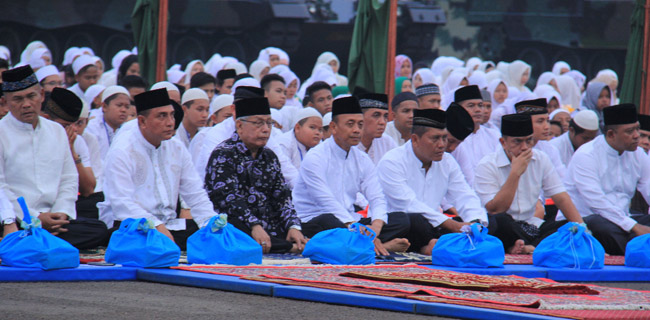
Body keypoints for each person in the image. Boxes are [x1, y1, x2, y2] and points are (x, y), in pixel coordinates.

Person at [0, 65, 107, 249]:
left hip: (54, 220)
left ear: (41, 95)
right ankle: (38, 241)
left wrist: (61, 213)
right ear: (6, 102)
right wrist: (35, 218)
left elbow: (69, 179)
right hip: (14, 218)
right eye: (17, 99)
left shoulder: (57, 131)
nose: (26, 104)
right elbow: (1, 188)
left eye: (31, 96)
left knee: (98, 229)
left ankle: (32, 243)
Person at [98, 88, 218, 250]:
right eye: (162, 116)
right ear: (142, 121)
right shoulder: (123, 150)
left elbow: (195, 194)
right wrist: (156, 226)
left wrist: (211, 224)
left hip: (170, 226)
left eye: (171, 115)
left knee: (213, 229)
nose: (170, 122)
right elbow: (122, 204)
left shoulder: (176, 147)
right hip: (133, 226)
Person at [293, 96, 411, 255]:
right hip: (316, 219)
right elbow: (326, 203)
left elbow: (377, 197)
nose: (356, 130)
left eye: (360, 124)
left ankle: (363, 244)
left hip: (350, 220)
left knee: (401, 219)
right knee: (329, 221)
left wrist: (375, 227)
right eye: (350, 124)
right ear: (333, 127)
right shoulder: (316, 157)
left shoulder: (361, 158)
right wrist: (361, 230)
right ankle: (381, 246)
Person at [377, 109, 489, 255]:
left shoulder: (447, 161)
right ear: (415, 139)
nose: (442, 145)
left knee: (495, 221)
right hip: (404, 226)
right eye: (435, 138)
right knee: (414, 220)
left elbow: (464, 194)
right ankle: (428, 246)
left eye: (444, 138)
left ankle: (435, 245)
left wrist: (476, 223)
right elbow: (408, 204)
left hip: (435, 224)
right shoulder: (392, 161)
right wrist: (453, 225)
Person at [204, 97, 307, 253]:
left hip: (270, 226)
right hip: (241, 223)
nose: (266, 129)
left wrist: (293, 226)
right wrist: (254, 225)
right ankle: (289, 247)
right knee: (233, 229)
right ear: (239, 125)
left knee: (318, 223)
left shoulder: (269, 156)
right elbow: (229, 199)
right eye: (258, 123)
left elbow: (282, 196)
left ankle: (289, 244)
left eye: (269, 123)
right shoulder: (223, 154)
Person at [474, 114, 585, 254]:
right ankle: (522, 246)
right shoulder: (488, 165)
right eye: (517, 142)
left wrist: (584, 231)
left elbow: (561, 197)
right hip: (505, 227)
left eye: (529, 141)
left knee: (570, 226)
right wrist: (515, 174)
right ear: (503, 142)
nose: (524, 148)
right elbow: (495, 209)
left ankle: (530, 247)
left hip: (532, 226)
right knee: (498, 221)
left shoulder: (540, 159)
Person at [562, 104, 650, 255]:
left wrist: (633, 224)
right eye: (630, 131)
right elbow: (597, 203)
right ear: (610, 134)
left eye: (637, 129)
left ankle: (637, 247)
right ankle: (636, 250)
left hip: (623, 218)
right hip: (587, 219)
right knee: (603, 227)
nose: (637, 135)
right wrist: (634, 227)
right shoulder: (587, 155)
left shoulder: (638, 154)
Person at [450, 85, 502, 186]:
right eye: (471, 105)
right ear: (458, 109)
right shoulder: (452, 139)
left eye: (480, 105)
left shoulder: (494, 136)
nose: (478, 110)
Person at [514, 98, 567, 178]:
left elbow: (562, 180)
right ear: (525, 123)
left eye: (547, 121)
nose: (547, 127)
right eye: (540, 121)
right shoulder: (511, 149)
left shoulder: (550, 149)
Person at [85, 85, 131, 162]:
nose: (123, 110)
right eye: (119, 105)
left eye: (127, 107)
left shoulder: (129, 129)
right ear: (104, 107)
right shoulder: (92, 127)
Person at [356, 93, 397, 164]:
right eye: (376, 115)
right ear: (361, 117)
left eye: (385, 116)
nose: (382, 122)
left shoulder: (387, 143)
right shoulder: (348, 145)